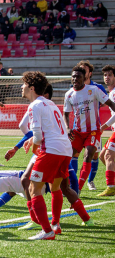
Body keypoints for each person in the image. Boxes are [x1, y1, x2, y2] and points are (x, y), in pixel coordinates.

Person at [17, 71, 72, 240]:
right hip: (65, 150)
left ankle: (47, 231)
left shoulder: (34, 106)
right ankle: (55, 224)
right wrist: (34, 140)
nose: (22, 87)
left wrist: (34, 147)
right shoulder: (50, 103)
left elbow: (39, 137)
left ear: (32, 88)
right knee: (55, 188)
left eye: (24, 84)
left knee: (34, 188)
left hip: (52, 150)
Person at [63, 66, 115, 195]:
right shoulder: (68, 94)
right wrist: (68, 128)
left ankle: (78, 189)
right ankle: (68, 183)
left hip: (93, 131)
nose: (75, 79)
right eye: (73, 76)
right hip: (77, 131)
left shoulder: (93, 90)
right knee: (68, 156)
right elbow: (66, 113)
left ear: (84, 77)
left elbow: (110, 103)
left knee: (89, 155)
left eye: (78, 76)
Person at [98, 65, 115, 196]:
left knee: (108, 155)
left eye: (109, 75)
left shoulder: (114, 93)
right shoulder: (111, 92)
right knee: (102, 155)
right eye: (105, 75)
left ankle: (110, 187)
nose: (107, 77)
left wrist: (104, 126)